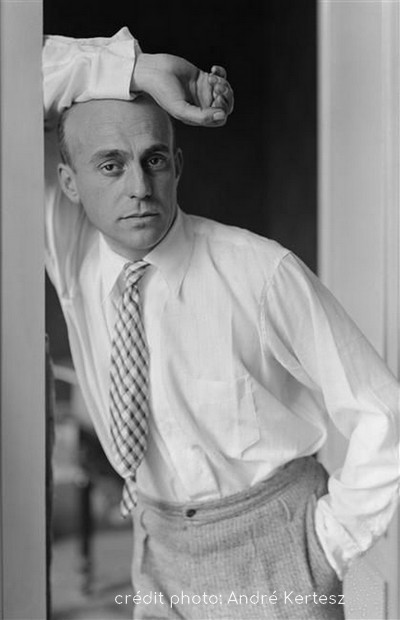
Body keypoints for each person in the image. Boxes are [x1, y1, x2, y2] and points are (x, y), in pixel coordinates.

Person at [43, 27, 399, 620]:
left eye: (154, 160)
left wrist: (329, 545)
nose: (139, 187)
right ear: (69, 184)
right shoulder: (70, 247)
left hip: (276, 550)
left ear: (177, 166)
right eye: (110, 165)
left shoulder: (259, 270)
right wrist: (139, 70)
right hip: (157, 547)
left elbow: (383, 410)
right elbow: (12, 74)